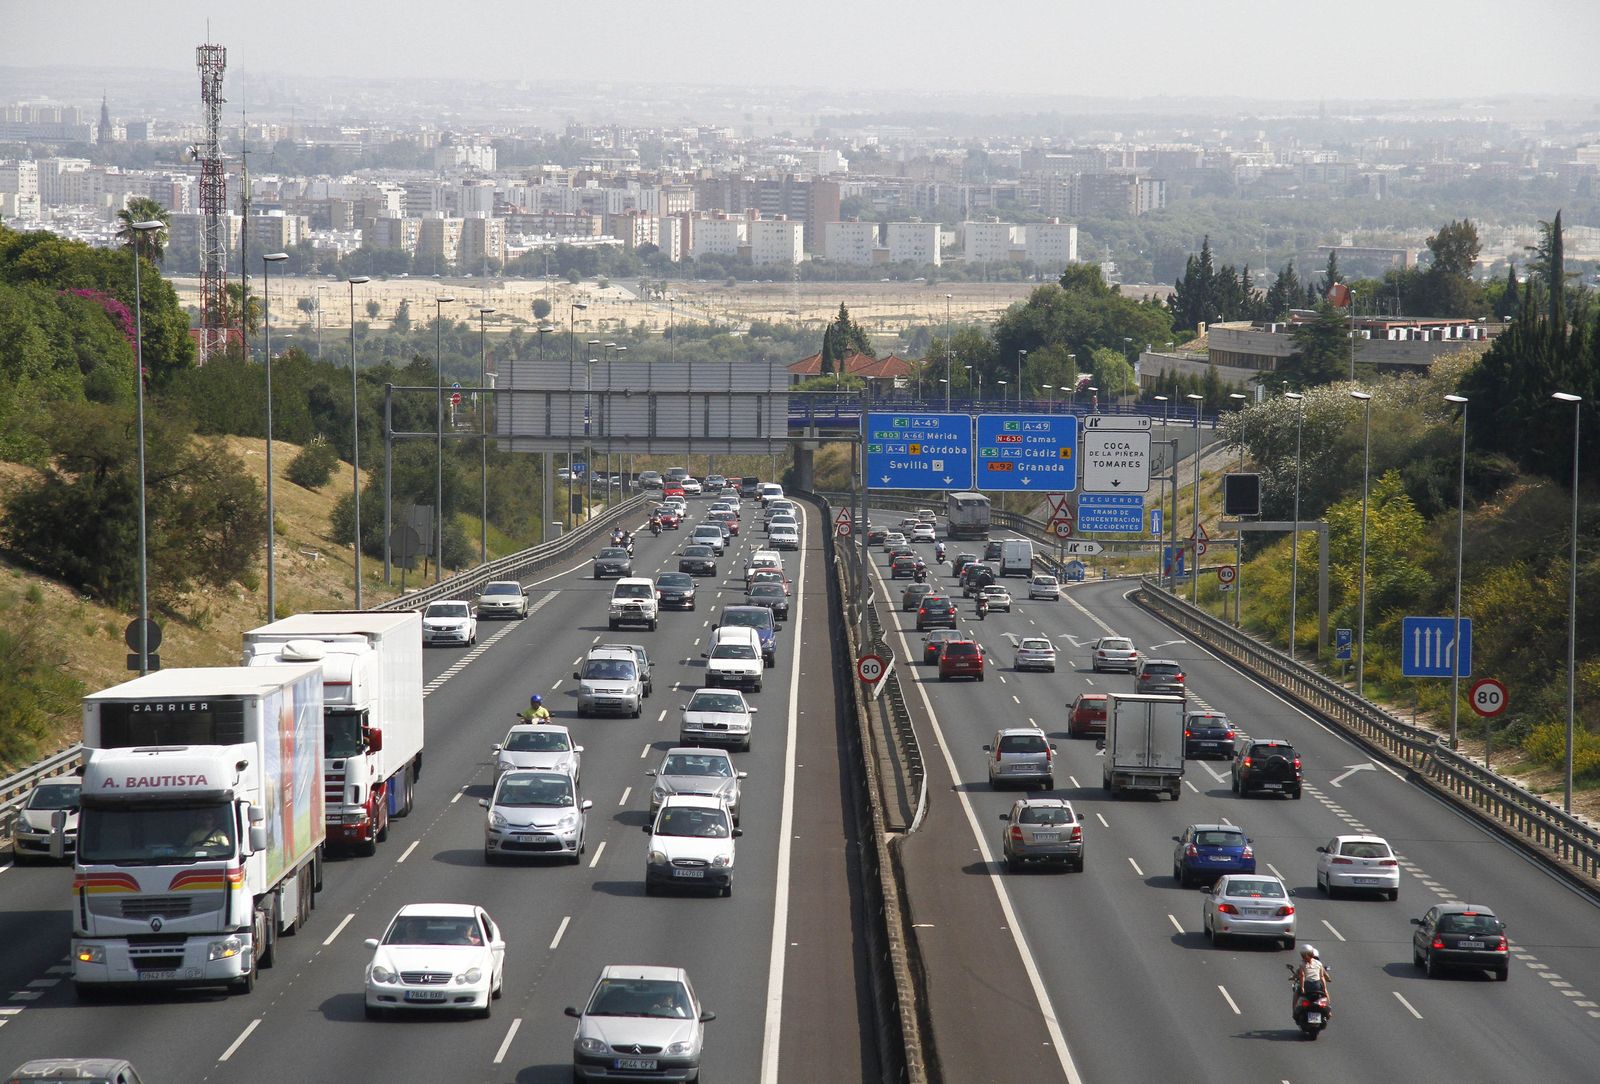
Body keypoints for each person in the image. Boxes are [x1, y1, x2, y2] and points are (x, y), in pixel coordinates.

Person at [1292, 944, 1331, 1014]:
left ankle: (1294, 1010)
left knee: (1297, 993)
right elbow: (1322, 977)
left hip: (1307, 986)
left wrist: (1302, 987)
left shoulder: (1302, 964)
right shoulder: (1319, 963)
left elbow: (1302, 976)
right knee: (1325, 993)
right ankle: (1329, 1011)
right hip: (1317, 986)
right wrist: (1325, 988)